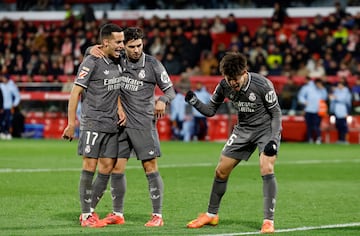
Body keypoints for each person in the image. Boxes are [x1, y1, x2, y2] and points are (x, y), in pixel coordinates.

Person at [184, 52, 281, 234]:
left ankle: (268, 220)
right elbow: (211, 110)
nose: (232, 83)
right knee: (221, 170)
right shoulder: (223, 86)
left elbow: (276, 113)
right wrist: (195, 102)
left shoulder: (262, 84)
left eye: (235, 79)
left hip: (265, 130)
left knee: (266, 167)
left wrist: (274, 139)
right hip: (243, 129)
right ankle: (211, 215)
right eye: (229, 79)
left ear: (245, 72)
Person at [89, 27, 175, 227]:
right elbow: (92, 52)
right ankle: (117, 213)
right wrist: (93, 47)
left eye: (139, 45)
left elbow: (171, 91)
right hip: (121, 125)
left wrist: (162, 99)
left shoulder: (153, 64)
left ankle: (157, 216)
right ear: (123, 46)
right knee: (116, 168)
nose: (136, 50)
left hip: (143, 124)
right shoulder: (118, 60)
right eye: (131, 46)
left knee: (150, 167)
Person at [62, 23, 126, 228]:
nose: (122, 46)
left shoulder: (119, 61)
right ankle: (85, 215)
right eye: (118, 42)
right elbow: (75, 93)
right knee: (90, 166)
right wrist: (71, 123)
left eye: (123, 42)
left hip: (112, 123)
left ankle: (90, 210)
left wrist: (120, 108)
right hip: (92, 122)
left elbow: (114, 89)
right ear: (105, 42)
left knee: (107, 166)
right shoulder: (91, 61)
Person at [297, 78, 328, 144]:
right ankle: (310, 139)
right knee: (309, 126)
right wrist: (304, 102)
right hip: (308, 109)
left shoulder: (322, 89)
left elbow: (325, 98)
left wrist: (322, 89)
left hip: (318, 110)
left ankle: (319, 138)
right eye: (318, 83)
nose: (319, 84)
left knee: (316, 125)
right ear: (315, 83)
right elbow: (300, 96)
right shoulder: (307, 88)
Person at [0, 74, 21, 140]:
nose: (2, 79)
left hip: (9, 107)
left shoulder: (12, 86)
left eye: (3, 78)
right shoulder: (1, 85)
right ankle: (2, 132)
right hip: (1, 107)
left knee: (8, 121)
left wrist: (14, 105)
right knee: (1, 121)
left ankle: (8, 133)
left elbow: (17, 96)